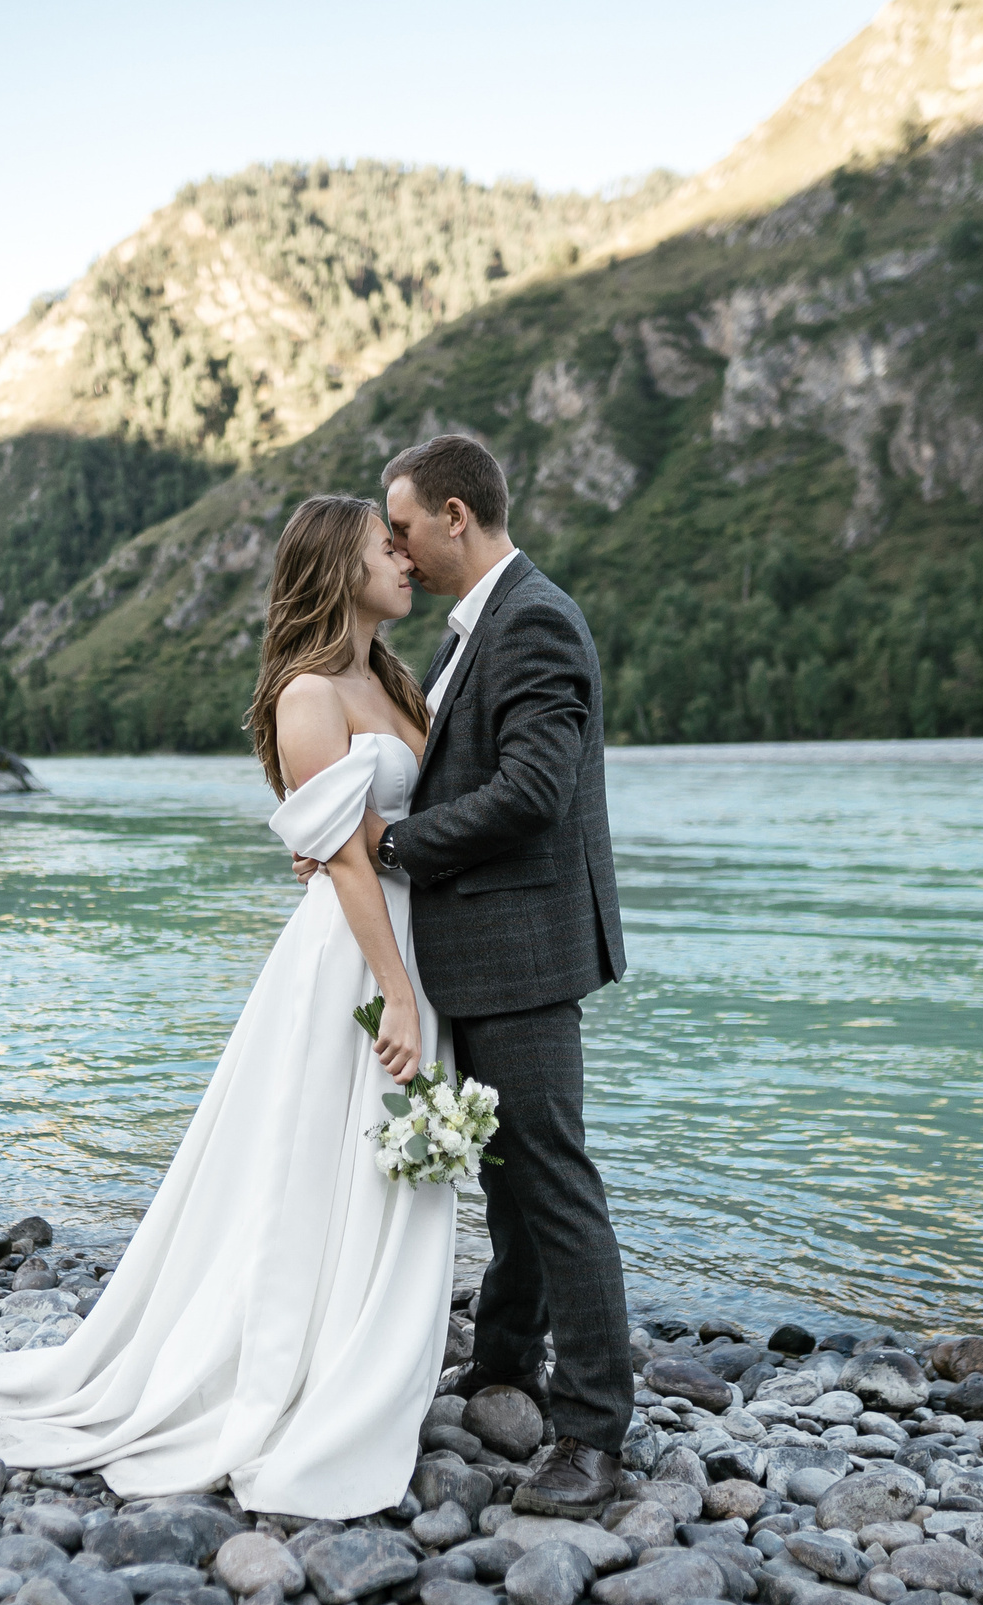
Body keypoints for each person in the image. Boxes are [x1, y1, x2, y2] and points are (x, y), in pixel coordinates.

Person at [0, 494, 455, 1518]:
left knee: (386, 1151)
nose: (404, 561)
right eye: (384, 547)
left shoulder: (395, 682)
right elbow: (342, 858)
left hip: (409, 940)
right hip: (353, 956)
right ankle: (299, 1360)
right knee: (325, 1150)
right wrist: (395, 991)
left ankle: (367, 1347)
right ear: (339, 567)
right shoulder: (306, 694)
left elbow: (405, 821)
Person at [297, 433, 632, 1519]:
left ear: (454, 515)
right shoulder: (464, 634)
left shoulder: (533, 620)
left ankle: (593, 1431)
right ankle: (503, 1363)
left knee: (553, 1180)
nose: (394, 548)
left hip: (522, 948)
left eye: (400, 527)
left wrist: (390, 844)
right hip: (478, 948)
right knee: (512, 1180)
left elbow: (534, 791)